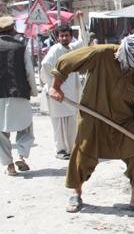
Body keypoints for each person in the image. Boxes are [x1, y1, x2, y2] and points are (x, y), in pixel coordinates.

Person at [48, 32, 134, 214]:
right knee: (82, 154)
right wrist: (55, 86)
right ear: (128, 51)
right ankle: (76, 194)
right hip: (93, 117)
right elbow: (66, 61)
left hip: (123, 121)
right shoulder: (102, 54)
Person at [40, 12, 88, 160]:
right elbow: (45, 65)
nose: (64, 38)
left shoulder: (72, 48)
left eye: (66, 35)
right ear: (58, 37)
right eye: (61, 36)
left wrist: (80, 20)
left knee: (72, 121)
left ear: (70, 36)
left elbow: (84, 40)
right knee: (59, 123)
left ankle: (72, 149)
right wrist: (53, 86)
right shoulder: (55, 50)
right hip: (58, 93)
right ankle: (61, 150)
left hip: (72, 92)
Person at [0, 15, 37, 176]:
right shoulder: (21, 47)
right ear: (13, 29)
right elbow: (29, 72)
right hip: (19, 93)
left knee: (1, 132)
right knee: (26, 126)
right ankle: (21, 155)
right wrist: (33, 91)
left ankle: (9, 166)